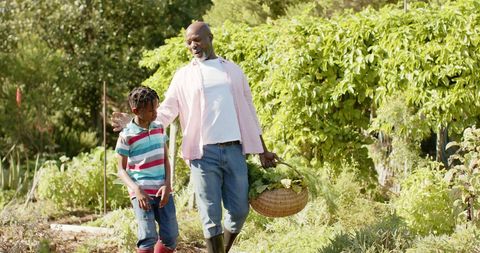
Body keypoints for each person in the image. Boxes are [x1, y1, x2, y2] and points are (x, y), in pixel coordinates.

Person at [112, 21, 278, 253]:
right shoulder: (184, 76)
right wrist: (134, 123)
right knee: (210, 216)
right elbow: (166, 110)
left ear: (210, 38)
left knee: (239, 210)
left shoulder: (233, 71)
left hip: (234, 150)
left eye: (197, 40)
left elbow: (250, 111)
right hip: (203, 154)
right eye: (188, 42)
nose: (193, 45)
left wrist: (263, 149)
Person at [115, 86, 178, 253]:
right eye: (151, 110)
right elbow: (121, 170)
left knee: (171, 236)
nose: (156, 114)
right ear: (136, 110)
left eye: (156, 108)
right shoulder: (126, 135)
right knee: (148, 236)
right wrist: (136, 190)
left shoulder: (159, 127)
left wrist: (167, 185)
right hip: (141, 193)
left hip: (162, 191)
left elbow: (165, 159)